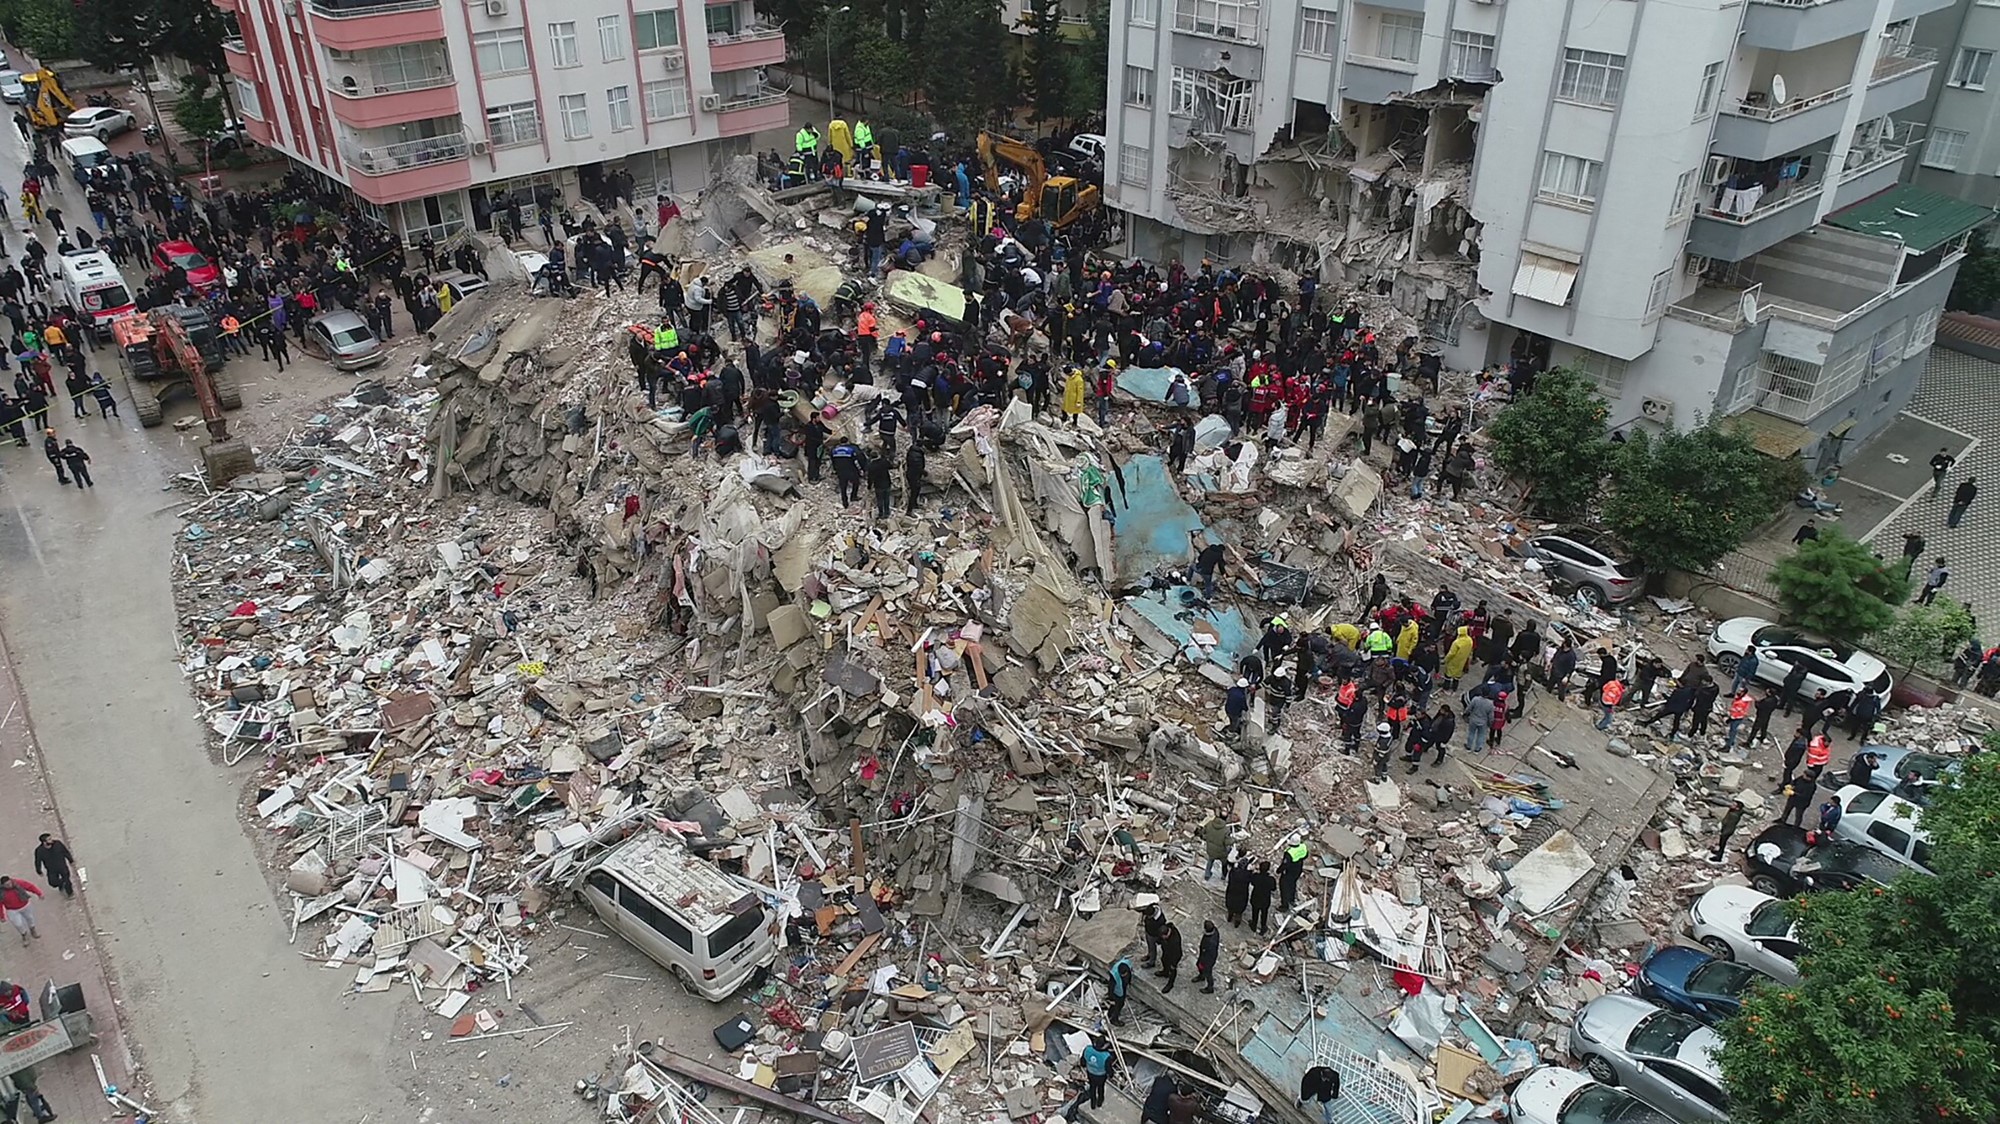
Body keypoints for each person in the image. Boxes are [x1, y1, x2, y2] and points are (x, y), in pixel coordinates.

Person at [0, 877, 41, 944]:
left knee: (30, 918)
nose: (9, 885)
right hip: (12, 910)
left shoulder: (18, 883)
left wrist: (39, 893)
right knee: (17, 924)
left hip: (25, 905)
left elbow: (30, 886)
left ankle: (33, 930)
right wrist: (2, 916)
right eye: (7, 885)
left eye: (10, 883)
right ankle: (23, 934)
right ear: (3, 885)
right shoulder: (1, 892)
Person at [1710, 799, 1746, 864]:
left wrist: (1723, 832)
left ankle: (1719, 857)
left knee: (1722, 843)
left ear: (1737, 808)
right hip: (1727, 829)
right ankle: (1719, 852)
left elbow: (1728, 824)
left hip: (1727, 830)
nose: (1731, 805)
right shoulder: (1735, 811)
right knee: (1722, 843)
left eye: (1734, 805)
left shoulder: (1733, 815)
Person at [1081, 1037, 1113, 1108]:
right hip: (1101, 1076)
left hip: (1090, 1073)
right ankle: (1099, 1102)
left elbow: (1082, 1062)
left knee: (1092, 1088)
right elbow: (1108, 1069)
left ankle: (1093, 1104)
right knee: (1100, 1089)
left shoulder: (1088, 1049)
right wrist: (1111, 1075)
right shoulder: (1106, 1056)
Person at [1247, 861, 1276, 936]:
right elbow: (1273, 888)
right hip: (1265, 899)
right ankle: (1263, 927)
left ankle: (1254, 924)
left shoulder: (1256, 876)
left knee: (1255, 912)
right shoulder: (1271, 879)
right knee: (1264, 913)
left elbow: (1252, 883)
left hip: (1256, 897)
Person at [1155, 920, 1183, 993]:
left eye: (1163, 936)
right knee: (1163, 960)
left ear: (1167, 934)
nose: (1162, 938)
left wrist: (1174, 964)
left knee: (1172, 969)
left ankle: (1170, 984)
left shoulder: (1175, 940)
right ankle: (1165, 972)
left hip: (1174, 955)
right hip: (1166, 951)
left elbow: (1178, 954)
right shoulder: (1167, 927)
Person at [1224, 857, 1252, 927]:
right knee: (1239, 912)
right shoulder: (1247, 875)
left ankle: (1229, 918)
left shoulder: (1233, 872)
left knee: (1230, 907)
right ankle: (1237, 923)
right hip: (1241, 895)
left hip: (1231, 892)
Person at [1105, 956, 1133, 1025]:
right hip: (1117, 991)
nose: (1124, 975)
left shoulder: (1127, 965)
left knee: (1117, 1004)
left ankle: (1110, 1013)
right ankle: (1114, 1019)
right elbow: (1110, 987)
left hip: (1122, 987)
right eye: (1122, 975)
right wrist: (1110, 997)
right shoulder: (1114, 975)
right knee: (1118, 1004)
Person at [1195, 920, 1220, 994]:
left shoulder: (1210, 942)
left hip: (1208, 958)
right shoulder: (1215, 931)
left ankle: (1210, 987)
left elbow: (1209, 953)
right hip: (1206, 955)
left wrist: (1203, 961)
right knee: (1199, 965)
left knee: (1208, 972)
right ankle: (1201, 976)